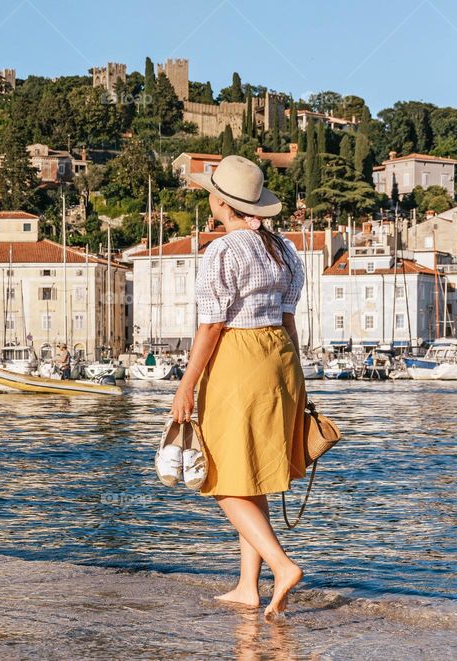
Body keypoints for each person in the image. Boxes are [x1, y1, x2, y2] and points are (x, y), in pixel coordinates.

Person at [169, 154, 308, 620]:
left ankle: (282, 566)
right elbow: (288, 320)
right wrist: (299, 380)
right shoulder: (284, 249)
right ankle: (248, 586)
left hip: (239, 360)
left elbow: (210, 328)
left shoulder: (222, 251)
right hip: (280, 360)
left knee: (221, 476)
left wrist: (185, 386)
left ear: (221, 204)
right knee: (255, 475)